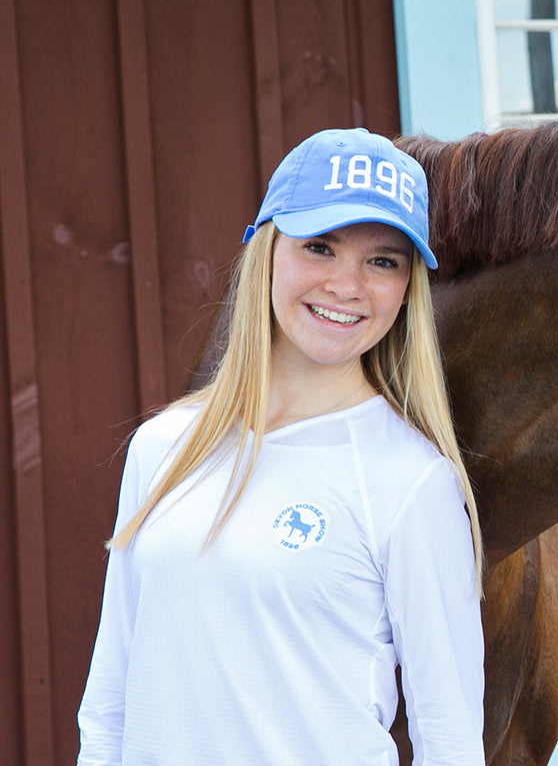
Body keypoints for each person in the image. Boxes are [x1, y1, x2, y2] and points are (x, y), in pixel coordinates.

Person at [77, 128, 486, 765]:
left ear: (408, 289)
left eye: (383, 260)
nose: (347, 285)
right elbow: (109, 704)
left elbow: (451, 739)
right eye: (319, 247)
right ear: (266, 251)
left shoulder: (411, 482)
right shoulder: (162, 449)